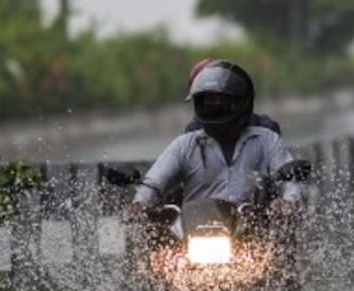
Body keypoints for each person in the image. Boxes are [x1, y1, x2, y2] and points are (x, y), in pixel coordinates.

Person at [123, 60, 301, 225]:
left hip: (250, 232)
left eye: (222, 101)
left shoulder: (267, 140)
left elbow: (289, 180)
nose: (215, 106)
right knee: (156, 254)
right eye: (209, 101)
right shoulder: (184, 144)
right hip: (193, 235)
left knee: (278, 250)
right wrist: (139, 204)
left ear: (241, 102)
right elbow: (155, 181)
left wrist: (288, 203)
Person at [183, 58, 282, 136]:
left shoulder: (265, 127)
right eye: (207, 100)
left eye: (218, 98)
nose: (214, 105)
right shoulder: (193, 132)